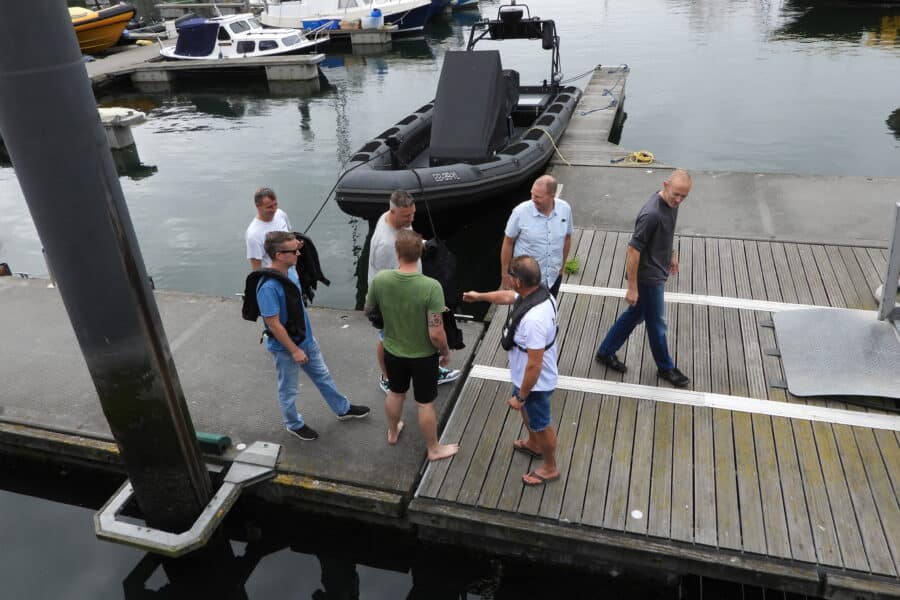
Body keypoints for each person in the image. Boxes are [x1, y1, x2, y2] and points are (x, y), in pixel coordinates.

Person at [256, 231, 370, 441]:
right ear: (279, 255)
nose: (298, 254)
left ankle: (342, 408)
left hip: (307, 339)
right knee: (288, 389)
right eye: (294, 252)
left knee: (323, 376)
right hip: (286, 349)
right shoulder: (267, 287)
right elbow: (273, 324)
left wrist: (295, 245)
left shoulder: (291, 272)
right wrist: (294, 350)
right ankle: (293, 424)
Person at [463, 256, 560, 486]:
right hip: (522, 377)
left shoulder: (534, 320)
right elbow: (508, 297)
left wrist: (522, 395)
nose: (508, 278)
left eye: (511, 275)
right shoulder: (539, 294)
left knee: (542, 424)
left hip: (535, 384)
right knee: (529, 415)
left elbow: (535, 365)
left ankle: (550, 467)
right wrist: (479, 296)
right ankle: (534, 444)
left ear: (518, 282)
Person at [365, 229, 460, 461]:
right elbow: (436, 332)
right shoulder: (431, 287)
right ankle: (433, 448)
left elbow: (370, 310)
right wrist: (445, 351)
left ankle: (393, 431)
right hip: (423, 356)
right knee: (425, 403)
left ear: (397, 252)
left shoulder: (380, 280)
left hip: (393, 350)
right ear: (420, 254)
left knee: (396, 393)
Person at [594, 169, 692, 388]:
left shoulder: (671, 203)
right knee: (657, 324)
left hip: (657, 270)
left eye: (683, 196)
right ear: (666, 185)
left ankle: (605, 351)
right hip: (648, 278)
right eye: (676, 194)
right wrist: (632, 288)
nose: (679, 200)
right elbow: (633, 250)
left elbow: (666, 233)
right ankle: (665, 367)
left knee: (635, 315)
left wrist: (672, 254)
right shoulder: (651, 214)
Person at [367, 190, 460, 393]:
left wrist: (423, 244)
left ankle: (432, 371)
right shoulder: (385, 244)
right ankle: (387, 377)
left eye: (412, 214)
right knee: (386, 336)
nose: (410, 219)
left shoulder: (397, 220)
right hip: (393, 298)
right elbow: (386, 282)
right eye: (406, 216)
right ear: (392, 212)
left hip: (412, 287)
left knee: (421, 333)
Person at [501, 174, 573, 298]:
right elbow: (508, 242)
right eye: (532, 194)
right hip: (525, 281)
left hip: (552, 278)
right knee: (524, 310)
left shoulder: (565, 209)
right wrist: (505, 274)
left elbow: (567, 238)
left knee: (549, 308)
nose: (533, 199)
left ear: (552, 195)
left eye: (538, 196)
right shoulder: (520, 212)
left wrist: (561, 267)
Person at [246, 187, 293, 270]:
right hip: (275, 275)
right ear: (258, 206)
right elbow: (256, 269)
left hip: (293, 270)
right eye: (269, 207)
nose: (274, 209)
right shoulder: (253, 235)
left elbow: (290, 236)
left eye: (275, 204)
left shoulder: (280, 214)